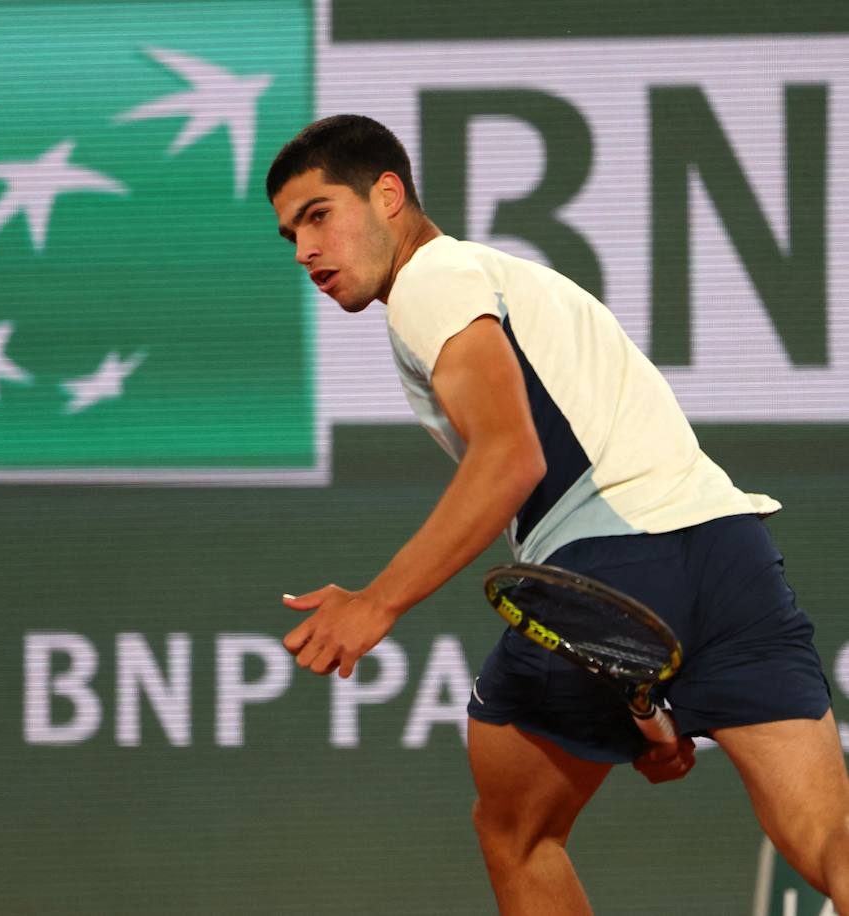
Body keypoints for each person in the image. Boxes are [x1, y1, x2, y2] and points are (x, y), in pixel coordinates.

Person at [267, 114, 847, 915]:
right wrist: (648, 716)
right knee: (831, 847)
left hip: (605, 567)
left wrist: (377, 602)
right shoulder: (523, 284)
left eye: (319, 214)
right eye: (291, 233)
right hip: (733, 558)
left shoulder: (431, 281)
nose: (304, 251)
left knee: (517, 835)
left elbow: (511, 458)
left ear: (389, 195)